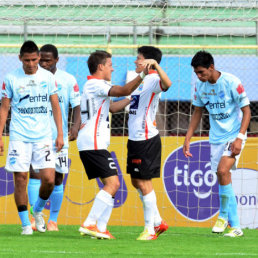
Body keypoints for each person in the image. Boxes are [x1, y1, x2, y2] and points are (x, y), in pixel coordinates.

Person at [77, 50, 150, 239]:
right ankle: (90, 223)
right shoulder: (96, 84)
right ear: (101, 66)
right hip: (93, 143)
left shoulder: (95, 86)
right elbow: (124, 89)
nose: (113, 68)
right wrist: (142, 75)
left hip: (93, 143)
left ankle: (101, 228)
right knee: (114, 183)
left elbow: (112, 107)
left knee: (111, 184)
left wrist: (132, 98)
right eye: (110, 64)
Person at [183, 51, 251, 237]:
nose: (199, 76)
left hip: (234, 134)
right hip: (216, 137)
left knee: (222, 171)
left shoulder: (232, 82)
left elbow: (247, 112)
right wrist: (188, 137)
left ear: (211, 67)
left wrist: (239, 137)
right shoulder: (200, 86)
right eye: (196, 73)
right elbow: (198, 111)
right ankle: (235, 226)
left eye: (201, 72)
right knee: (222, 175)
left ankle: (222, 216)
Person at [0, 40, 64, 235]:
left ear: (38, 58)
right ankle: (25, 224)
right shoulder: (10, 78)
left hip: (43, 136)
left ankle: (37, 210)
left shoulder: (47, 77)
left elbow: (55, 106)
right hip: (19, 136)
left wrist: (60, 133)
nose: (31, 63)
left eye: (34, 59)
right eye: (26, 60)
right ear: (20, 58)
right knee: (20, 178)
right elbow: (4, 107)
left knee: (50, 180)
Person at [28, 44, 81, 231]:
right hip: (36, 136)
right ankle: (35, 219)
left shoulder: (67, 79)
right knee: (35, 174)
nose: (43, 63)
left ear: (57, 60)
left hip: (59, 137)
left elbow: (76, 105)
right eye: (40, 60)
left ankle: (53, 220)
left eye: (47, 60)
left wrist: (75, 127)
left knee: (58, 178)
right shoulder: (33, 78)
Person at [127, 46, 172, 240]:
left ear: (148, 62)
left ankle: (149, 230)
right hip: (134, 138)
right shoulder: (138, 80)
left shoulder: (154, 79)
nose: (135, 62)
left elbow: (168, 84)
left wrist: (155, 67)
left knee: (144, 182)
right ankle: (158, 221)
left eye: (139, 59)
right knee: (136, 180)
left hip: (145, 138)